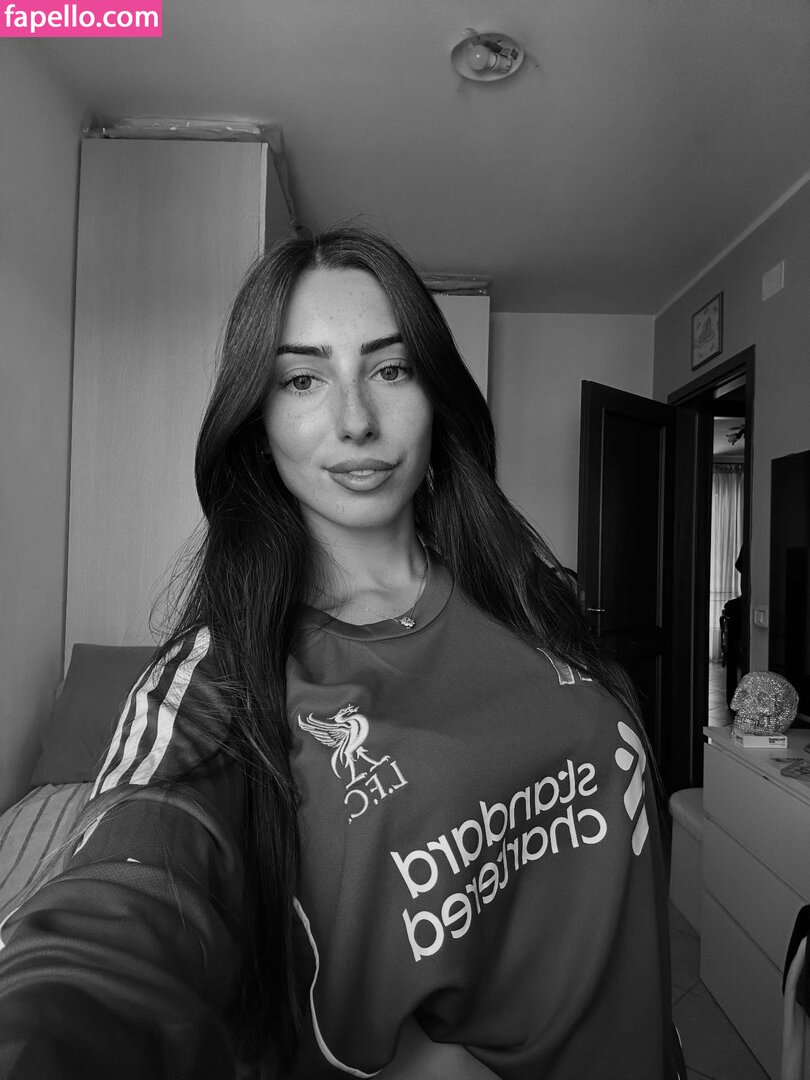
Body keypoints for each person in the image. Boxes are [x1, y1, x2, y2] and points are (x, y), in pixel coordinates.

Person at [0, 227, 677, 1079]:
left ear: (436, 395)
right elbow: (125, 896)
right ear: (258, 421)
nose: (356, 421)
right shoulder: (223, 673)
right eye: (303, 379)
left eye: (391, 369)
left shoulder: (528, 594)